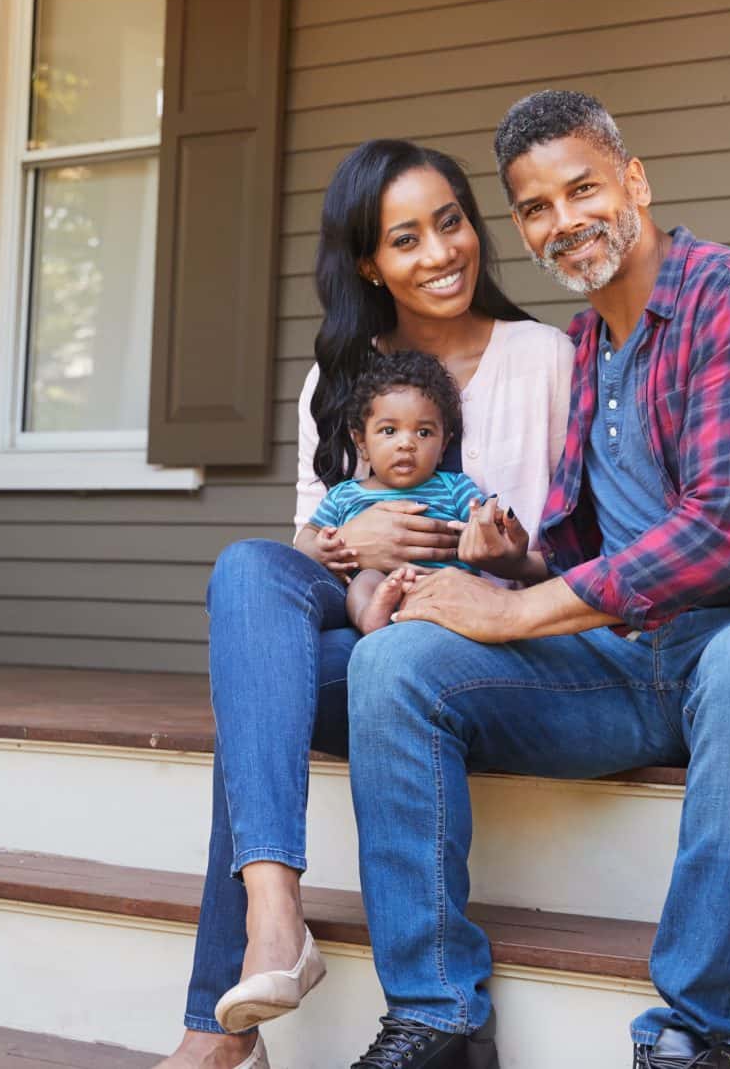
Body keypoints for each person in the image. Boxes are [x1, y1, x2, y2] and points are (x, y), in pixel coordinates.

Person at [339, 91, 730, 1069]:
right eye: (534, 208)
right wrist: (500, 558)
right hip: (637, 662)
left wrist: (515, 610)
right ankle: (434, 1016)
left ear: (633, 182)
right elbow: (588, 554)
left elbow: (722, 534)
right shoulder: (588, 346)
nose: (564, 221)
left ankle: (696, 1035)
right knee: (393, 665)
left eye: (583, 188)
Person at [153, 139, 573, 1069]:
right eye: (407, 238)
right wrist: (351, 548)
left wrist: (516, 555)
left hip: (487, 654)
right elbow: (305, 569)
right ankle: (274, 916)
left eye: (452, 223)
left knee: (257, 697)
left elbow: (588, 564)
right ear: (368, 264)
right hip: (374, 634)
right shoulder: (334, 384)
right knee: (250, 572)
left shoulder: (547, 359)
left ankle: (216, 1031)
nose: (440, 253)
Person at [302, 351, 534, 634]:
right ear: (361, 442)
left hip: (441, 586)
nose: (406, 444)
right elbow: (307, 535)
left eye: (423, 433)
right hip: (379, 586)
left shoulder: (454, 487)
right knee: (366, 581)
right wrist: (320, 549)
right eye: (389, 430)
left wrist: (490, 527)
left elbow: (483, 519)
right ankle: (370, 618)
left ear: (443, 446)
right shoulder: (345, 495)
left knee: (460, 581)